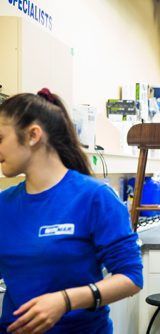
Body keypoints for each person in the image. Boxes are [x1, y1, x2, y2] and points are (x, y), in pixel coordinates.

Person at [0, 89, 143, 334]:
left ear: (33, 135)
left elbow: (131, 278)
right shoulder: (4, 204)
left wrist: (65, 301)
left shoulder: (94, 197)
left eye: (0, 138)